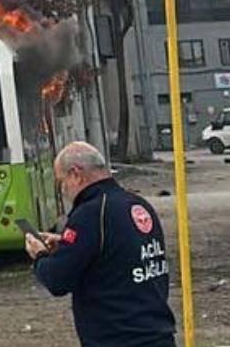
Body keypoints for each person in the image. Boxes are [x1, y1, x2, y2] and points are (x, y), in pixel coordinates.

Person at [26, 142, 177, 347]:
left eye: (61, 182)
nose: (63, 191)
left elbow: (57, 280)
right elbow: (121, 252)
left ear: (75, 174)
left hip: (118, 338)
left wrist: (41, 256)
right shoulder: (138, 204)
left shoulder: (90, 213)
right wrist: (66, 244)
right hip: (158, 334)